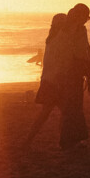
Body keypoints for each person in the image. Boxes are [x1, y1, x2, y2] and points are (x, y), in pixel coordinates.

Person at [23, 13, 67, 148]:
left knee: (46, 113)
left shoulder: (50, 39)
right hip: (56, 81)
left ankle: (29, 140)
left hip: (48, 80)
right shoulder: (61, 38)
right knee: (63, 112)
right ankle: (62, 141)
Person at [53, 3, 90, 149]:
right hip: (71, 72)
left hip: (68, 72)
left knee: (72, 106)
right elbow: (75, 51)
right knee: (73, 106)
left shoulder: (68, 29)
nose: (86, 20)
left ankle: (73, 138)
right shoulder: (75, 30)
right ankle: (69, 140)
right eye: (85, 17)